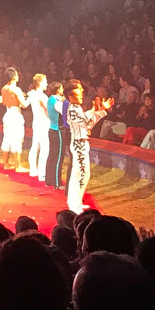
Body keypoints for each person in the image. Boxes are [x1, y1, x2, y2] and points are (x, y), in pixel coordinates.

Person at [65, 79, 112, 214]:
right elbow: (87, 123)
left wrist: (94, 110)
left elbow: (84, 118)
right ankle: (74, 205)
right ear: (70, 96)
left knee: (79, 174)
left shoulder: (76, 108)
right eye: (78, 93)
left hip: (81, 143)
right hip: (79, 144)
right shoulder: (73, 110)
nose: (81, 95)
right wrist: (101, 111)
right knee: (81, 174)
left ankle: (75, 202)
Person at [0, 68, 27, 172]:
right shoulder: (16, 89)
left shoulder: (4, 88)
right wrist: (30, 98)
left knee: (7, 138)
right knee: (16, 138)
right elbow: (24, 105)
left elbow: (4, 101)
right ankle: (18, 166)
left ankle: (6, 164)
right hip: (15, 115)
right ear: (14, 77)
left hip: (8, 114)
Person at [26, 73, 51, 181]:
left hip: (36, 121)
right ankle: (42, 173)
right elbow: (48, 111)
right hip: (43, 122)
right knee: (44, 147)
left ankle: (33, 170)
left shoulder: (32, 94)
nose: (47, 84)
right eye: (45, 81)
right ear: (40, 82)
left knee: (35, 146)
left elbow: (24, 104)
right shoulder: (42, 96)